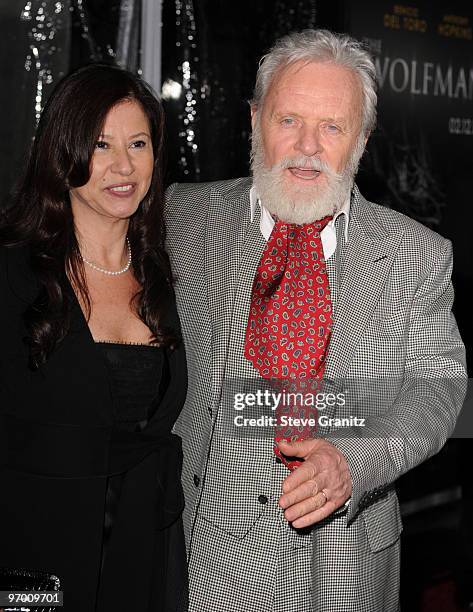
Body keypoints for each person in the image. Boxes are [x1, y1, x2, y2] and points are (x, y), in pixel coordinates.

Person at [165, 29, 467, 612]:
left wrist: (352, 460)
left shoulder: (416, 253)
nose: (308, 146)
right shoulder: (182, 218)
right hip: (202, 554)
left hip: (344, 564)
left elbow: (443, 391)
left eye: (332, 126)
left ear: (362, 138)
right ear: (255, 119)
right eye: (288, 121)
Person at [0, 64, 187, 612]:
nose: (123, 166)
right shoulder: (12, 274)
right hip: (30, 557)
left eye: (138, 143)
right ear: (63, 151)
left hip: (143, 554)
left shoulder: (168, 277)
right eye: (101, 145)